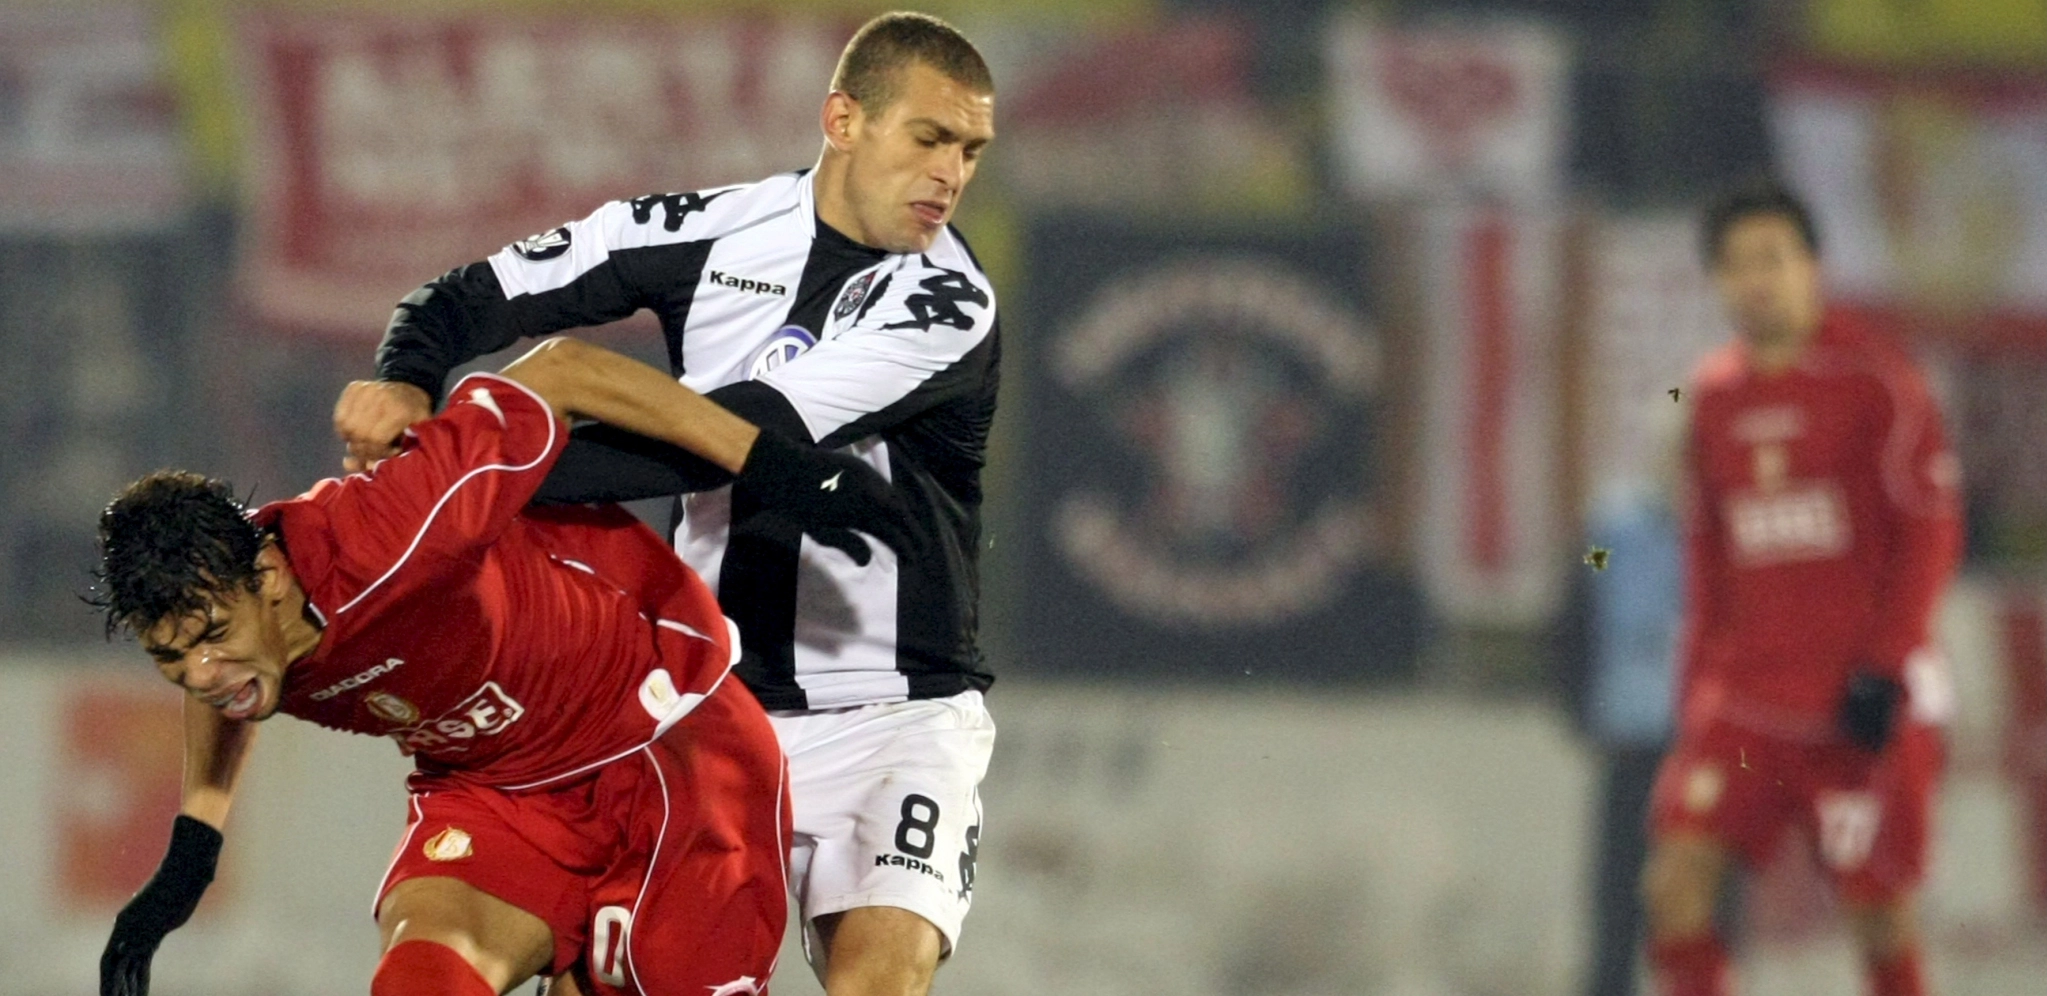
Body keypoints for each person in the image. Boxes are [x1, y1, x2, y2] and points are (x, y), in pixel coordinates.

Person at [332, 12, 999, 996]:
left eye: (971, 151)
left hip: (893, 713)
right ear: (843, 120)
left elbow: (734, 438)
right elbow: (472, 295)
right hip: (701, 705)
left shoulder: (947, 303)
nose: (950, 173)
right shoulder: (709, 229)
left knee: (879, 983)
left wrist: (455, 476)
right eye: (930, 138)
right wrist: (407, 378)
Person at [94, 337, 920, 996]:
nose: (202, 673)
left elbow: (559, 371)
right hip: (491, 789)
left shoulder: (394, 530)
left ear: (270, 578)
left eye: (212, 637)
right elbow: (223, 682)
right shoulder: (235, 632)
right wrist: (194, 846)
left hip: (667, 746)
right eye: (171, 657)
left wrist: (774, 465)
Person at [1642, 184, 1962, 996]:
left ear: (1812, 268)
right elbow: (1708, 561)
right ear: (1717, 281)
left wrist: (1885, 665)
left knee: (1877, 914)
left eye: (1773, 259)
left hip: (1853, 699)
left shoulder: (1875, 382)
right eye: (1737, 264)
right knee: (1673, 887)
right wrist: (1694, 694)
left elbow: (1928, 534)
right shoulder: (1710, 397)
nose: (1757, 280)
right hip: (1747, 703)